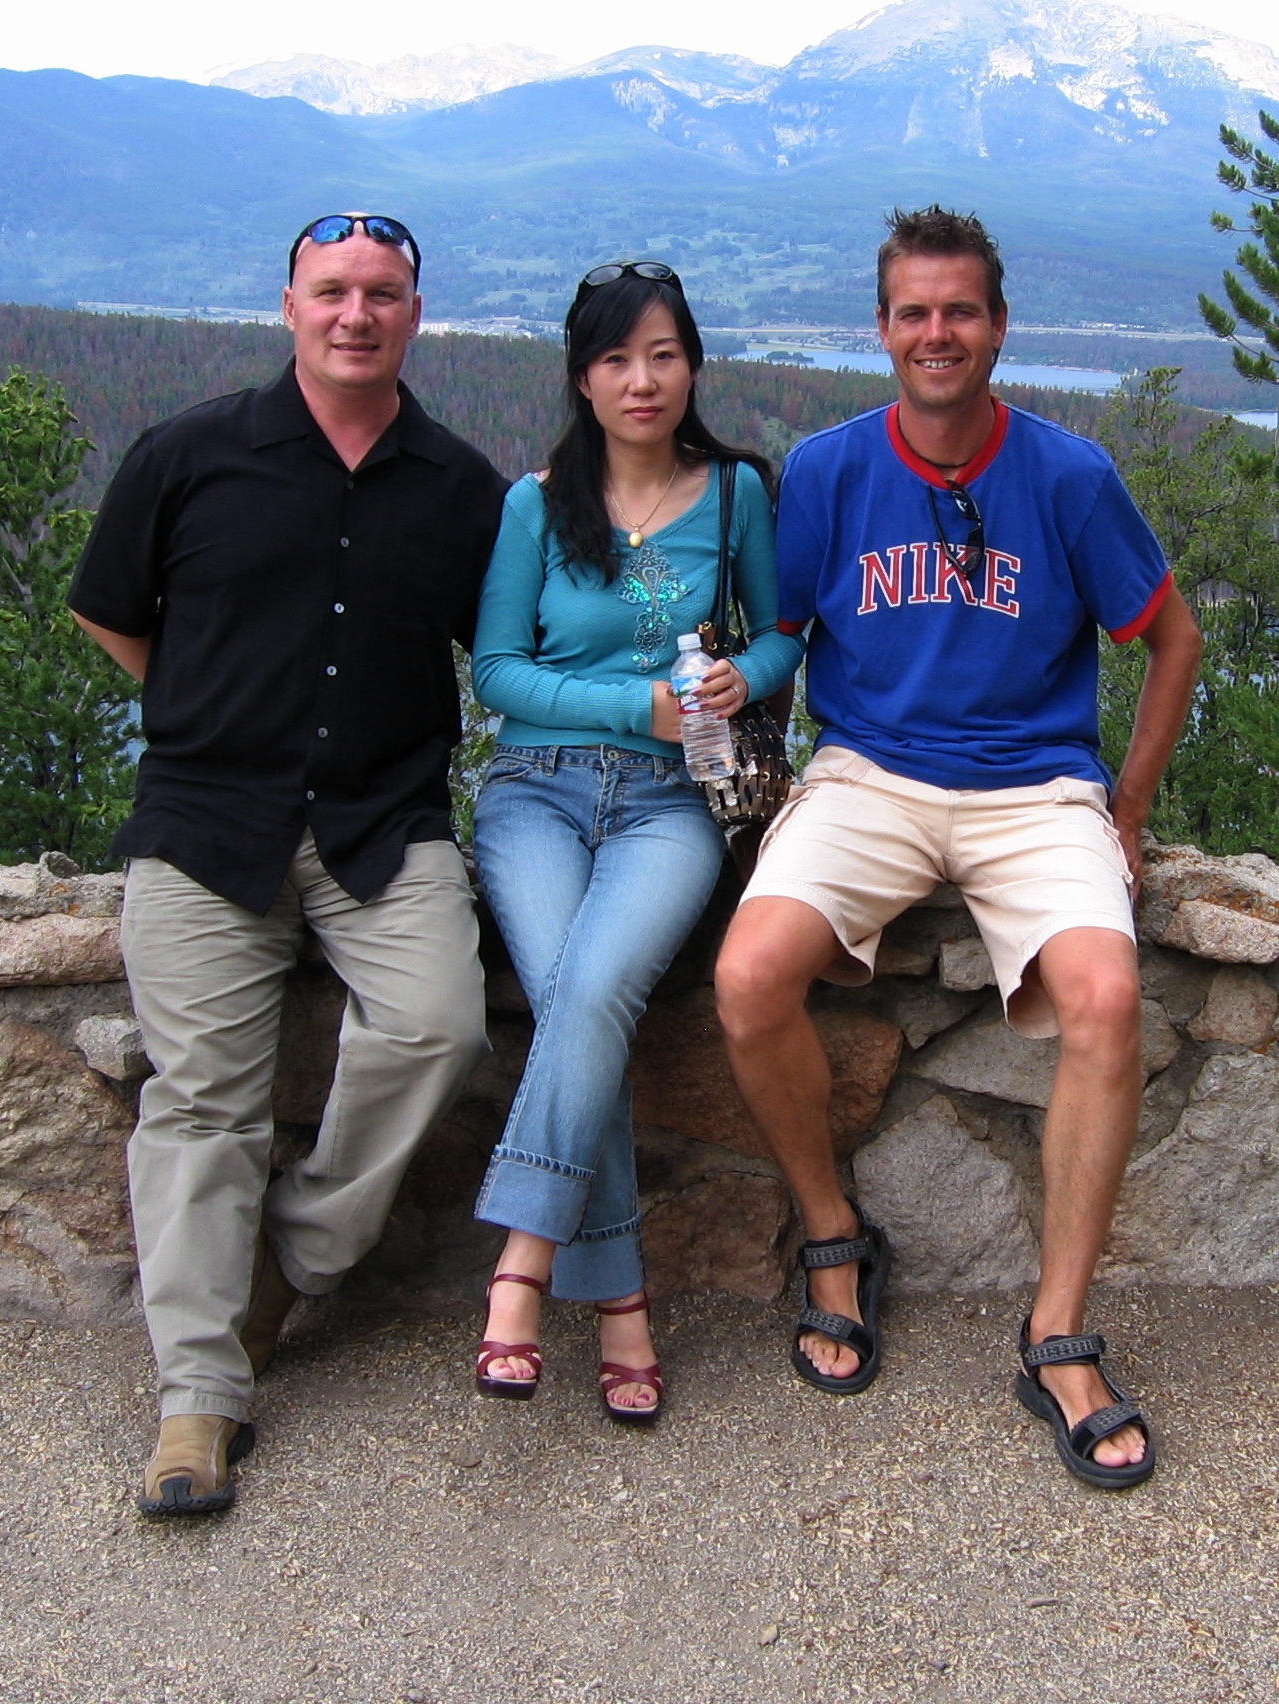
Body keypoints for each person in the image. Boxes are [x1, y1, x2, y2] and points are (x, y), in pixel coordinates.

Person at [713, 206, 1203, 1490]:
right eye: (914, 313)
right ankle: (833, 1236)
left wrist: (1128, 809)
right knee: (748, 976)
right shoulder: (827, 472)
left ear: (997, 327)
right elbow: (779, 639)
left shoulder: (1068, 476)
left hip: (1035, 788)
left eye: (960, 312)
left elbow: (1172, 640)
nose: (937, 334)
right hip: (868, 773)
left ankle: (1057, 1333)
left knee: (1106, 1000)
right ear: (882, 329)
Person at [68, 213, 508, 1516]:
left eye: (381, 294)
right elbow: (109, 610)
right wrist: (210, 707)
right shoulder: (189, 454)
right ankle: (197, 1400)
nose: (355, 314)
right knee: (203, 1101)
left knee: (439, 1027)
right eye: (332, 292)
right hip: (206, 827)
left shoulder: (460, 487)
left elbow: (505, 647)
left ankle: (291, 1261)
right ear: (289, 305)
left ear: (414, 313)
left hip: (384, 825)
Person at [468, 260, 801, 1424]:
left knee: (589, 987)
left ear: (693, 366)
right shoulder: (534, 506)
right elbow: (497, 672)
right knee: (581, 998)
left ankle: (522, 1266)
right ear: (581, 377)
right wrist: (631, 705)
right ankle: (618, 1299)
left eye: (662, 355)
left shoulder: (736, 494)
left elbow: (785, 636)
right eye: (615, 358)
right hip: (536, 792)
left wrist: (740, 674)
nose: (641, 379)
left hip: (673, 801)